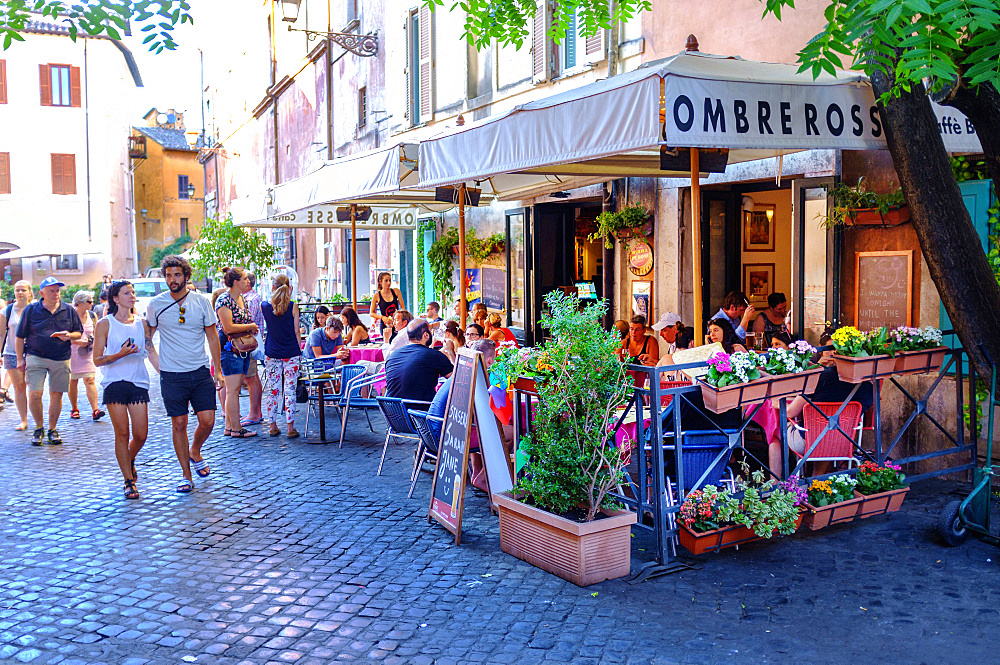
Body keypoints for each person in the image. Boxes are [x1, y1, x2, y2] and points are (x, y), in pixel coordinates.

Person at [147, 255, 225, 493]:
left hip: (200, 370)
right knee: (179, 423)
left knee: (208, 421)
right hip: (172, 375)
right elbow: (148, 339)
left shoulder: (201, 302)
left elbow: (212, 336)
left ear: (186, 276)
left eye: (177, 275)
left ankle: (195, 450)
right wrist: (158, 364)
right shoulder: (156, 304)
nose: (172, 279)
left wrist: (218, 371)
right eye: (168, 275)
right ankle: (185, 474)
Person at [93, 281, 157, 500]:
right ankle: (128, 480)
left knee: (141, 434)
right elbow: (97, 360)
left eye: (133, 292)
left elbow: (150, 351)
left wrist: (167, 374)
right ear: (115, 298)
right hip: (114, 383)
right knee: (122, 433)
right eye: (126, 293)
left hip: (138, 382)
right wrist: (120, 354)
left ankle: (129, 459)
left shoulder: (142, 323)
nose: (132, 296)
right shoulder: (104, 324)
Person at [15, 276, 83, 445]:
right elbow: (19, 336)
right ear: (42, 293)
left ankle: (52, 429)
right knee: (35, 393)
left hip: (61, 357)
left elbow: (78, 333)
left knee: (56, 394)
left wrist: (68, 336)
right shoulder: (31, 310)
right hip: (35, 356)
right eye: (51, 291)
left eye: (57, 290)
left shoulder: (68, 310)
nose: (56, 294)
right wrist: (19, 360)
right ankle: (39, 427)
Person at [215, 267, 260, 438]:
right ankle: (236, 428)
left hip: (243, 347)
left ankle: (229, 427)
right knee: (233, 390)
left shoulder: (242, 299)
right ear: (235, 282)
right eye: (244, 279)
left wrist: (249, 327)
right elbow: (228, 327)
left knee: (234, 388)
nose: (248, 281)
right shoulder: (224, 300)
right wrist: (250, 326)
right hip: (229, 348)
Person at [261, 274, 301, 438]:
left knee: (273, 389)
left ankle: (272, 425)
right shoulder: (293, 307)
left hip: (272, 352)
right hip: (291, 352)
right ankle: (290, 428)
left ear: (272, 288)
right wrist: (299, 351)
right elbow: (297, 331)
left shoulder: (265, 306)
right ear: (289, 288)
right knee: (290, 390)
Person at [385, 318, 453, 402]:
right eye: (430, 330)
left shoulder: (394, 355)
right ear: (426, 335)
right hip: (420, 411)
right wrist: (450, 351)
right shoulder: (434, 355)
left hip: (392, 411)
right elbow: (456, 379)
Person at [0, 280, 32, 430]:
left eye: (23, 290)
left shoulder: (35, 309)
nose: (20, 293)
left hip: (33, 353)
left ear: (29, 292)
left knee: (34, 388)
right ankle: (23, 420)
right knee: (19, 387)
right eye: (17, 290)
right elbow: (1, 335)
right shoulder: (6, 311)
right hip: (11, 352)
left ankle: (38, 418)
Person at [68, 290, 104, 421]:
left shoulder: (92, 315)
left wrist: (93, 342)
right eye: (89, 301)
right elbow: (64, 336)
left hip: (87, 352)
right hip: (71, 352)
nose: (92, 304)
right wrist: (78, 341)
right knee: (73, 381)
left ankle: (95, 409)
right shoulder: (69, 315)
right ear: (80, 302)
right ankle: (74, 408)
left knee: (90, 379)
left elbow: (96, 332)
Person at [240, 272, 265, 426]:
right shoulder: (248, 298)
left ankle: (254, 413)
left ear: (248, 282)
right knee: (250, 377)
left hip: (249, 342)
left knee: (251, 377)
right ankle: (256, 412)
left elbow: (249, 321)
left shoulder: (252, 299)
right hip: (247, 342)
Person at [370, 271, 404, 338]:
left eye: (390, 280)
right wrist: (382, 317)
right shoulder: (377, 296)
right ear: (380, 282)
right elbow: (371, 313)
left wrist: (400, 318)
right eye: (386, 281)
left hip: (396, 323)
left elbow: (403, 307)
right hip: (385, 324)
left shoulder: (396, 291)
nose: (388, 283)